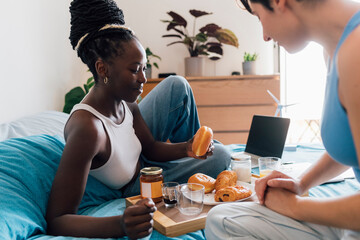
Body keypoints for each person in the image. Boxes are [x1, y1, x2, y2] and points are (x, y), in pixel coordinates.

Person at [45, 0, 231, 238]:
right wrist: (120, 224)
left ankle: (194, 182)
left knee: (216, 146)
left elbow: (151, 148)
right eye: (135, 70)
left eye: (144, 68)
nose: (144, 78)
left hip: (146, 167)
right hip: (132, 186)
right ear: (103, 69)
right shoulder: (88, 129)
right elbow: (57, 220)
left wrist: (187, 149)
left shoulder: (126, 101)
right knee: (223, 157)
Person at [205, 0, 360, 239]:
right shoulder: (334, 49)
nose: (265, 36)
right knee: (222, 219)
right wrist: (300, 183)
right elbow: (350, 144)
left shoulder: (356, 51)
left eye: (258, 16)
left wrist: (295, 207)